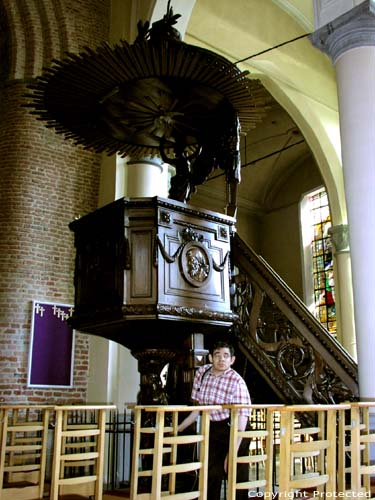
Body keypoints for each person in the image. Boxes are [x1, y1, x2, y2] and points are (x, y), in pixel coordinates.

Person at [178, 340, 251, 500]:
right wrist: (179, 429)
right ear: (211, 357)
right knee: (211, 471)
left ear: (232, 360)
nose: (221, 359)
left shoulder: (237, 381)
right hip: (214, 427)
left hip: (237, 427)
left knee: (235, 468)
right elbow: (198, 408)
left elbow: (242, 417)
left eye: (226, 356)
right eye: (217, 355)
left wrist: (232, 452)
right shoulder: (202, 373)